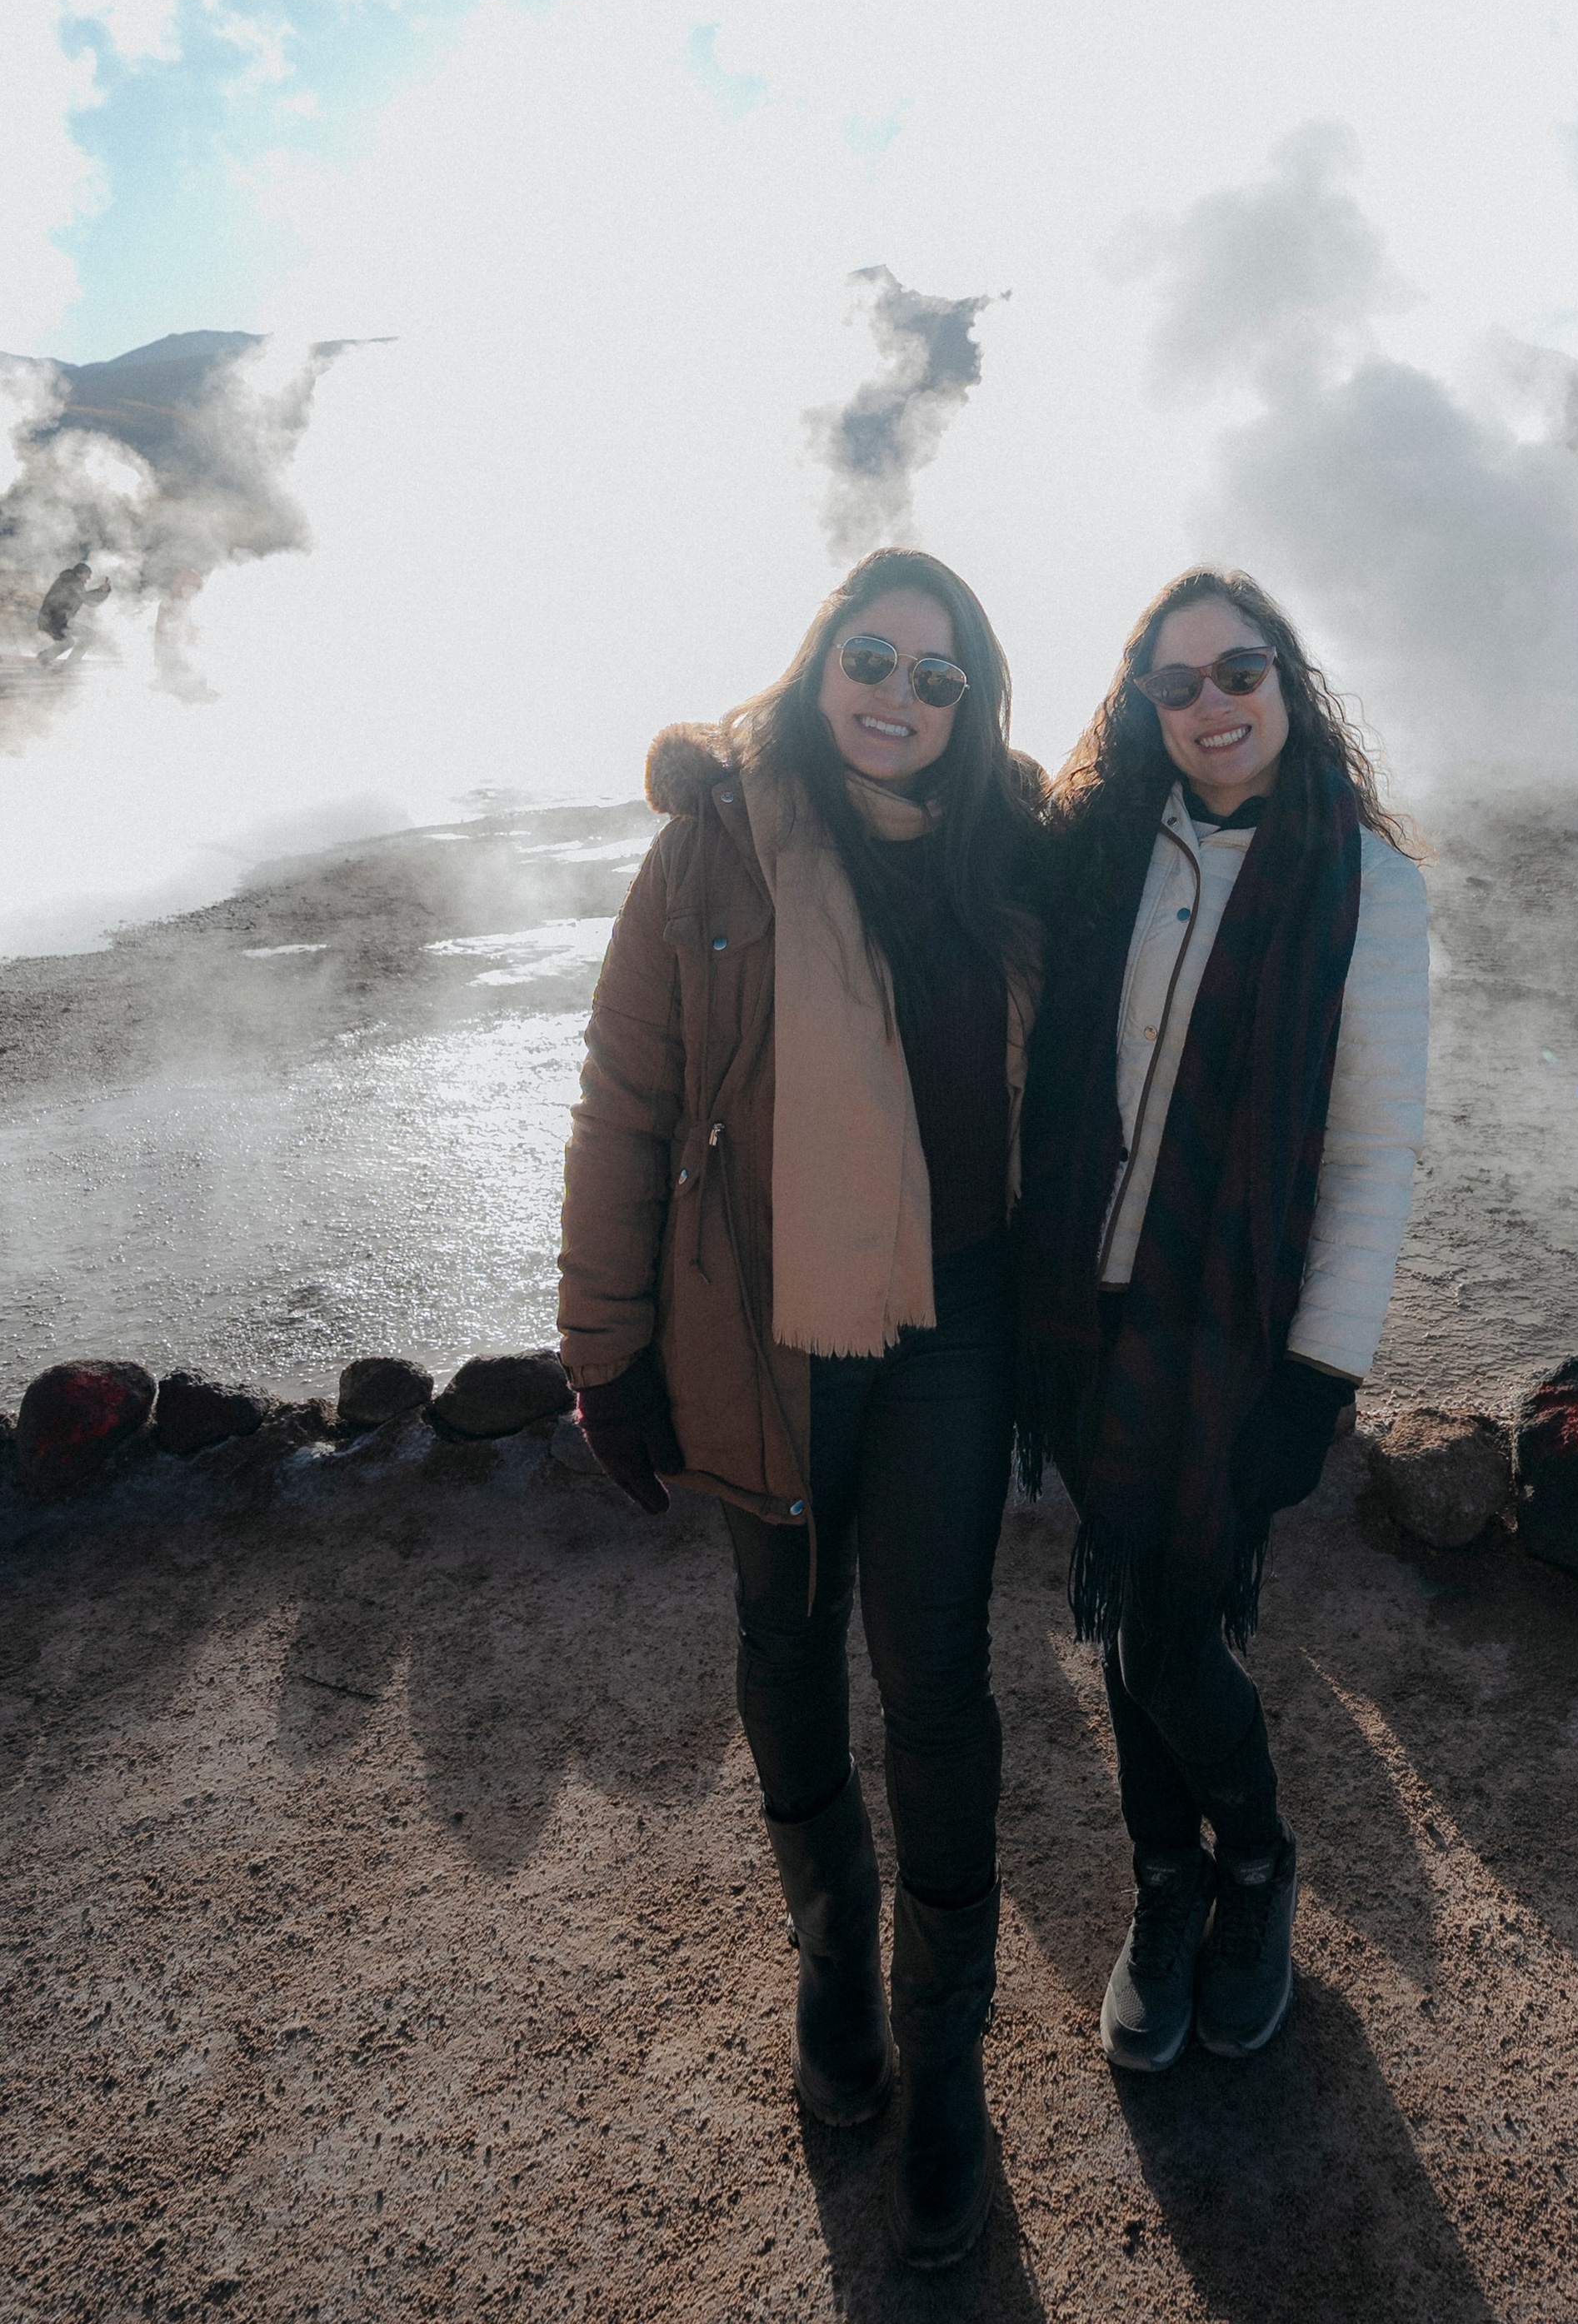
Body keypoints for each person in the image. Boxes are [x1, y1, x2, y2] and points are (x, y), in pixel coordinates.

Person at [557, 548, 1041, 2267]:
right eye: (872, 656)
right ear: (820, 661)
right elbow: (626, 1105)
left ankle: (949, 2053)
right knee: (784, 1639)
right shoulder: (716, 844)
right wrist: (605, 1351)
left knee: (936, 1680)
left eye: (936, 673)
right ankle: (832, 1960)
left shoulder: (1009, 858)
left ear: (968, 702)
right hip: (765, 1331)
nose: (898, 695)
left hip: (958, 1328)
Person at [1014, 567, 1429, 2073]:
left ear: (1286, 679)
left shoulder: (1368, 884)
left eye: (1235, 670)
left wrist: (1319, 1378)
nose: (1209, 704)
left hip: (1234, 1328)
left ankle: (1246, 1866)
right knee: (1132, 1608)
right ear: (1141, 704)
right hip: (1087, 1308)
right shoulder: (1105, 848)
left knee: (1172, 1630)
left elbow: (1374, 1152)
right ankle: (1168, 1880)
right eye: (1174, 682)